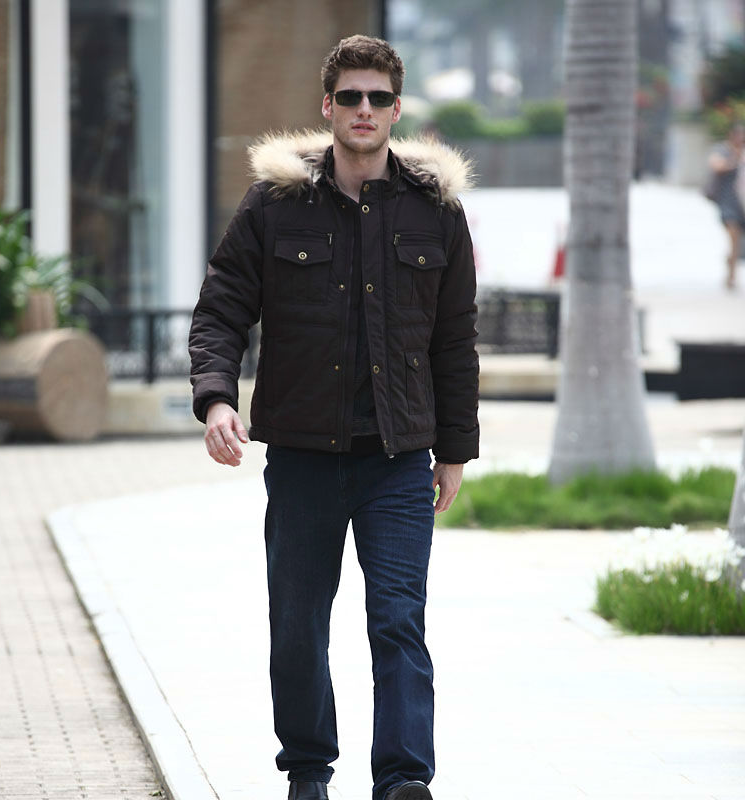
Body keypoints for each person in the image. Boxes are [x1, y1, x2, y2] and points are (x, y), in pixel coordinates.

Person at [188, 35, 479, 800]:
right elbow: (221, 310)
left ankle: (404, 779)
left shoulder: (435, 212)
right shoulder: (275, 206)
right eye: (350, 96)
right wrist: (217, 398)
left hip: (397, 460)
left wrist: (454, 451)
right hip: (304, 459)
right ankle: (309, 772)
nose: (364, 109)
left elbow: (454, 340)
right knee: (297, 628)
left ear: (397, 108)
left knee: (398, 621)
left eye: (378, 97)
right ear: (327, 105)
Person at [707, 121, 745, 290]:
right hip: (728, 202)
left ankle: (731, 269)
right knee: (733, 238)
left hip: (742, 203)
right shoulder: (722, 150)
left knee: (737, 243)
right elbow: (716, 165)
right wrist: (735, 159)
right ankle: (731, 275)